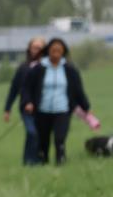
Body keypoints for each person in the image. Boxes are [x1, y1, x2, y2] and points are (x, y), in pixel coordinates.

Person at [21, 38, 91, 166]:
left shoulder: (69, 69)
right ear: (48, 51)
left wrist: (86, 107)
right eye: (53, 49)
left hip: (62, 110)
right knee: (44, 140)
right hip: (42, 110)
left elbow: (78, 89)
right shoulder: (39, 68)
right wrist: (28, 102)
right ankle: (44, 162)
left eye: (59, 49)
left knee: (60, 139)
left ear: (63, 51)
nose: (56, 52)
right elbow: (26, 87)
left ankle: (61, 162)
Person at [2, 36, 46, 165]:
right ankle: (32, 161)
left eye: (40, 48)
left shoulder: (47, 67)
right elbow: (14, 89)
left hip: (44, 108)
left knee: (37, 134)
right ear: (30, 49)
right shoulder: (23, 68)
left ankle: (29, 160)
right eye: (34, 47)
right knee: (32, 133)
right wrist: (7, 109)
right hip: (26, 108)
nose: (36, 50)